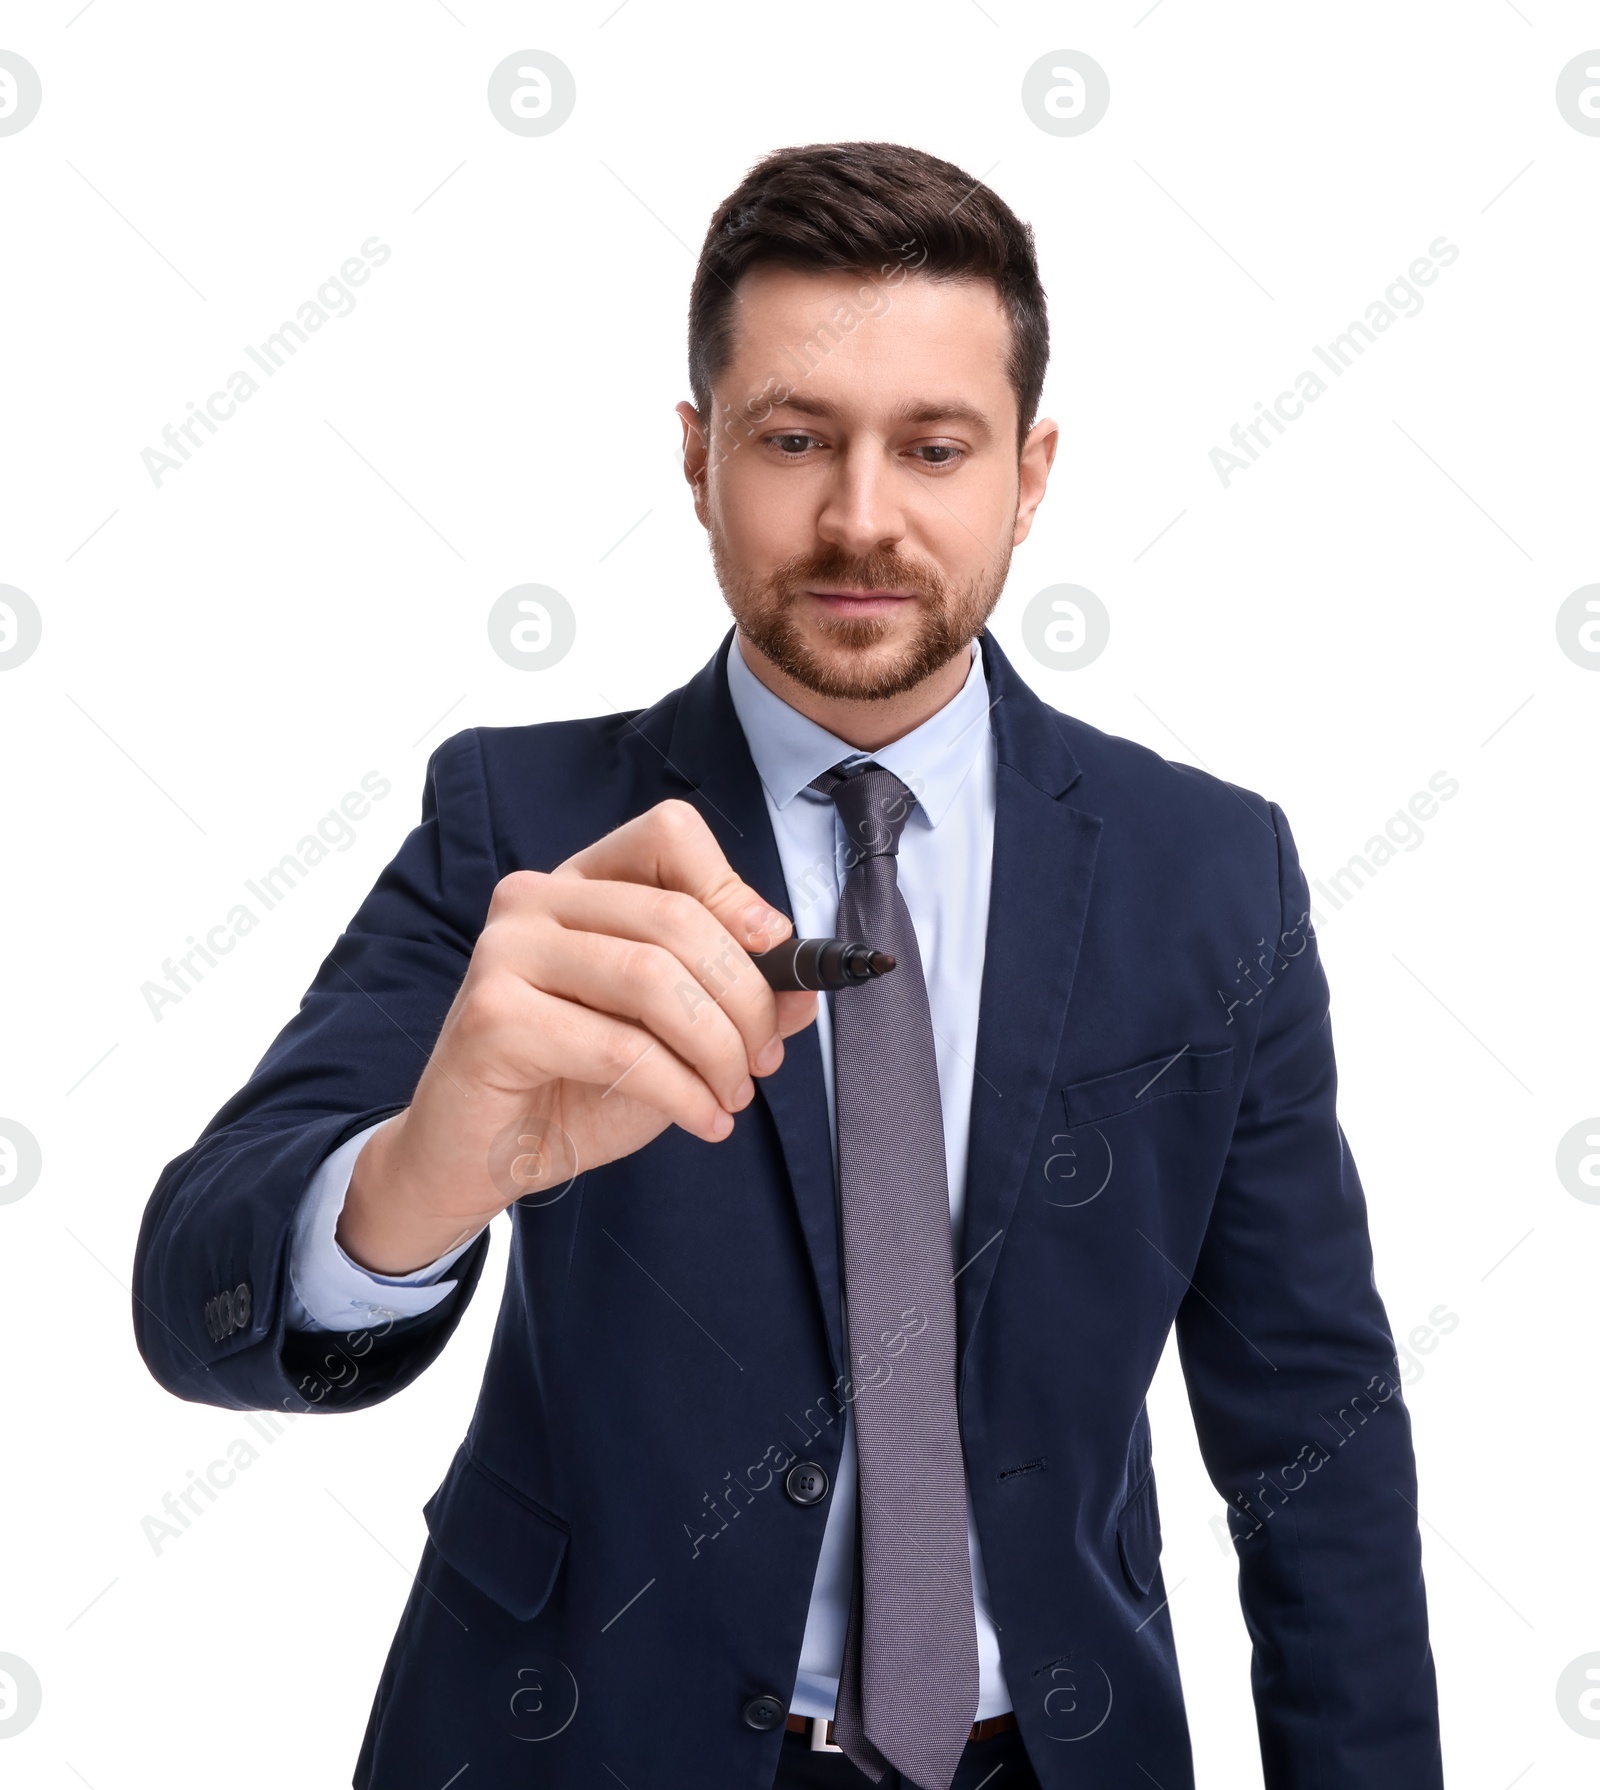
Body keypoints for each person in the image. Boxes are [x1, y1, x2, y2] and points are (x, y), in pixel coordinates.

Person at [133, 141, 1443, 1790]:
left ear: (1030, 475)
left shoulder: (1210, 869)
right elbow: (197, 1290)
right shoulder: (522, 822)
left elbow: (1313, 1438)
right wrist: (419, 1177)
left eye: (936, 446)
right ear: (697, 459)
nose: (860, 518)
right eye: (795, 439)